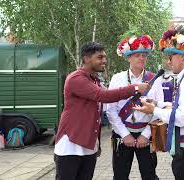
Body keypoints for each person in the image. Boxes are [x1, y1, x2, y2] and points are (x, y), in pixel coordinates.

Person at [54, 42, 149, 180]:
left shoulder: (94, 81)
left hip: (88, 146)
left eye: (104, 57)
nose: (104, 60)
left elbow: (109, 98)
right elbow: (103, 96)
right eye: (99, 57)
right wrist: (135, 88)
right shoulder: (76, 78)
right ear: (86, 59)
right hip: (71, 145)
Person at [134, 26, 184, 180]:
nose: (169, 61)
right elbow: (182, 108)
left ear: (182, 57)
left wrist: (154, 110)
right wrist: (157, 104)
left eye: (171, 57)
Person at [107, 34, 163, 180]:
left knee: (149, 175)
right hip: (122, 134)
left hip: (147, 134)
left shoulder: (154, 79)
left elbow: (159, 110)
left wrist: (146, 134)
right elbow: (111, 110)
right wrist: (125, 135)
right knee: (120, 175)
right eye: (137, 55)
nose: (142, 58)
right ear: (128, 57)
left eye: (144, 55)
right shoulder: (117, 78)